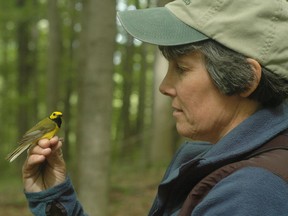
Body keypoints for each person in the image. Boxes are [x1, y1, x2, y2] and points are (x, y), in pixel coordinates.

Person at [22, 0, 288, 215]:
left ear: (246, 80)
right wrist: (56, 202)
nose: (164, 86)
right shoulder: (220, 159)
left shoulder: (251, 194)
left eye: (182, 69)